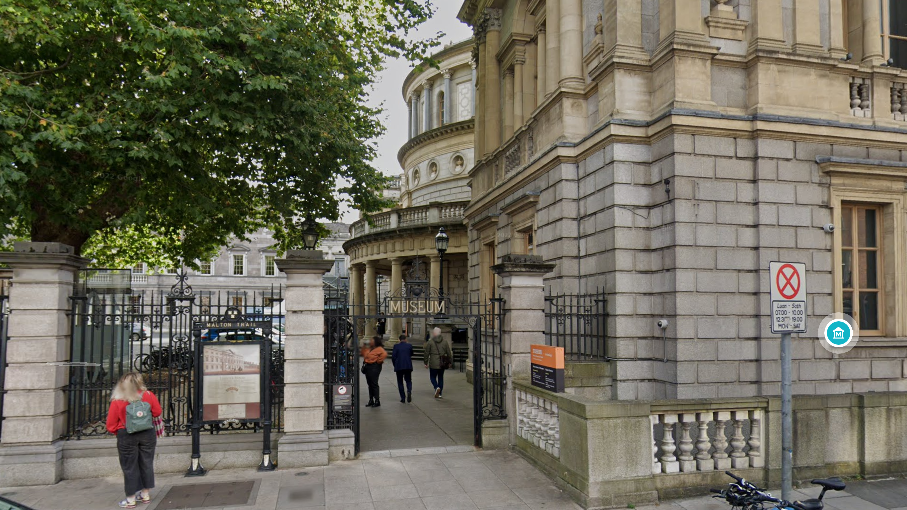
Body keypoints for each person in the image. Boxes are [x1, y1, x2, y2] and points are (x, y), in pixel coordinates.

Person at [106, 372, 163, 508]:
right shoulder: (148, 395)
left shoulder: (118, 399)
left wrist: (118, 431)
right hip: (147, 433)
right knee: (146, 463)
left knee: (129, 466)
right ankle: (145, 494)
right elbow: (157, 412)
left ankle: (131, 499)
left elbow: (111, 424)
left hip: (126, 434)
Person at [424, 327, 453, 399]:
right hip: (442, 363)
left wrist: (425, 362)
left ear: (434, 333)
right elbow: (449, 353)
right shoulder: (445, 342)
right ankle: (440, 393)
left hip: (433, 362)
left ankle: (436, 387)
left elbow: (426, 353)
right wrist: (450, 362)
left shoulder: (430, 342)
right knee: (440, 378)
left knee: (432, 377)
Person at [362, 335, 387, 407]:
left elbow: (384, 354)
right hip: (368, 367)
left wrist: (378, 361)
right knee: (369, 384)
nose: (370, 341)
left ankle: (377, 400)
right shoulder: (370, 348)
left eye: (372, 340)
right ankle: (371, 399)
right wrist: (364, 346)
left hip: (374, 367)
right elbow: (364, 354)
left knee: (374, 383)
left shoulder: (379, 349)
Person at [391, 334, 414, 403]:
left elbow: (393, 357)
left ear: (399, 339)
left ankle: (403, 398)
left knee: (400, 382)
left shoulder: (396, 346)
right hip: (407, 365)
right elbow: (411, 353)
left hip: (399, 366)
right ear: (405, 339)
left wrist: (395, 365)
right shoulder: (409, 345)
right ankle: (409, 391)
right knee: (408, 380)